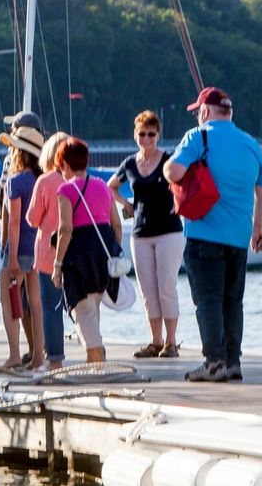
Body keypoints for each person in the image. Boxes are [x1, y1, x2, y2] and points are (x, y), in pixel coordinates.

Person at [165, 87, 262, 382]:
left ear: (205, 112)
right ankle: (232, 360)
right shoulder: (250, 143)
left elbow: (174, 172)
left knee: (208, 298)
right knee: (232, 300)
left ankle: (214, 362)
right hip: (238, 238)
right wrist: (257, 228)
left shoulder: (199, 137)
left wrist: (165, 167)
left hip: (204, 234)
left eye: (198, 111)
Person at [107, 111, 184, 358]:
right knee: (148, 289)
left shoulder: (168, 160)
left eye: (151, 134)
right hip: (140, 232)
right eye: (142, 133)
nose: (147, 138)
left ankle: (171, 342)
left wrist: (179, 201)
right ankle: (155, 340)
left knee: (166, 286)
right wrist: (125, 204)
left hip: (168, 231)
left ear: (158, 134)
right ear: (135, 135)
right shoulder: (130, 164)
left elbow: (185, 181)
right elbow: (110, 187)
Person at [53, 137, 122, 363]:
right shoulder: (103, 186)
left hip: (79, 257)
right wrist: (115, 251)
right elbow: (117, 225)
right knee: (92, 307)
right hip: (103, 254)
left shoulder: (66, 189)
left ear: (64, 164)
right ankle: (95, 360)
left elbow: (65, 229)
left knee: (82, 310)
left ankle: (96, 359)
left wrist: (57, 265)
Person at [0, 123, 46, 370]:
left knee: (8, 299)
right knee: (36, 302)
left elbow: (14, 221)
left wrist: (12, 255)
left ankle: (15, 354)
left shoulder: (16, 180)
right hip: (37, 246)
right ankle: (39, 355)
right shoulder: (41, 178)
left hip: (19, 248)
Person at [27, 131, 71, 371]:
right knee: (81, 308)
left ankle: (55, 359)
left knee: (51, 309)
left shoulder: (45, 182)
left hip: (48, 253)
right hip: (75, 251)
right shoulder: (77, 180)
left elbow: (33, 219)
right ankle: (94, 353)